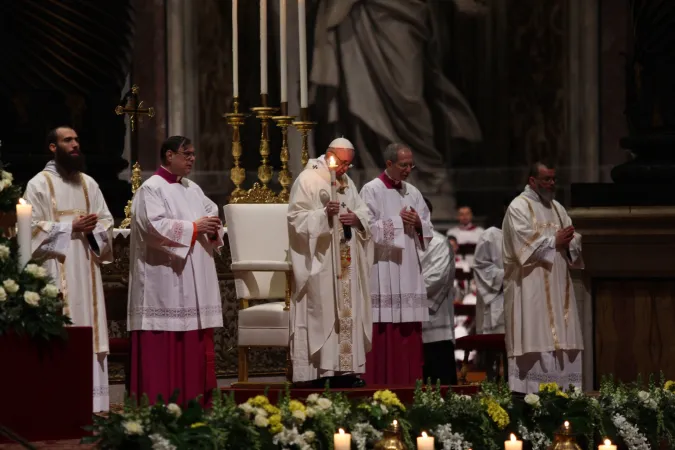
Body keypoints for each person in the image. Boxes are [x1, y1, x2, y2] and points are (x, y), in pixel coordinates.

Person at [310, 0, 482, 197]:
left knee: (409, 97)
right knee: (362, 93)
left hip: (405, 10)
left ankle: (427, 172)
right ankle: (374, 174)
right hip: (359, 10)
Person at [128, 136, 224, 405]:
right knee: (165, 344)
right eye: (186, 154)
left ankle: (194, 400)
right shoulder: (151, 189)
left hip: (193, 278)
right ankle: (161, 401)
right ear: (169, 156)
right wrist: (195, 228)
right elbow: (153, 227)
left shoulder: (192, 188)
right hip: (165, 279)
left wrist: (211, 226)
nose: (192, 159)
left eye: (193, 154)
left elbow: (211, 214)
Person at [25, 126, 114, 412]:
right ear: (53, 147)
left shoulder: (89, 183)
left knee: (89, 327)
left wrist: (91, 231)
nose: (75, 144)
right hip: (56, 269)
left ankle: (95, 404)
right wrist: (69, 227)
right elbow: (29, 229)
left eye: (77, 139)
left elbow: (107, 223)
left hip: (87, 269)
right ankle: (60, 403)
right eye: (68, 140)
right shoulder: (38, 184)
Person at [288, 137, 373, 388]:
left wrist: (356, 218)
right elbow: (295, 219)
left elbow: (363, 211)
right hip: (321, 260)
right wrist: (323, 216)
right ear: (329, 156)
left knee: (347, 312)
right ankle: (316, 372)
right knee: (323, 312)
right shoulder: (308, 180)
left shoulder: (347, 183)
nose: (345, 169)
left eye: (349, 164)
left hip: (346, 260)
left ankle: (345, 371)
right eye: (342, 162)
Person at [502, 161, 584, 393]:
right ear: (532, 181)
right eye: (546, 179)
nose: (551, 184)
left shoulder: (558, 208)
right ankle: (529, 397)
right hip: (530, 287)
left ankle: (564, 395)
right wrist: (554, 241)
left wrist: (570, 241)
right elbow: (521, 248)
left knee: (562, 339)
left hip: (559, 286)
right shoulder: (518, 207)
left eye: (553, 179)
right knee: (534, 336)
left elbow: (572, 236)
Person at [360, 143, 433, 385]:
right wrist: (400, 223)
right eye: (403, 165)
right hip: (383, 267)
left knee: (409, 331)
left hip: (409, 267)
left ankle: (410, 382)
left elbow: (428, 226)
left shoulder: (413, 192)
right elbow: (366, 230)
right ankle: (380, 383)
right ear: (389, 164)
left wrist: (419, 223)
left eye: (411, 165)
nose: (408, 170)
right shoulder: (371, 190)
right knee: (385, 328)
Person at [473, 194, 512, 380]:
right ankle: (492, 385)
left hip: (523, 298)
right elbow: (481, 266)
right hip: (498, 296)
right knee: (495, 350)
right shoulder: (490, 235)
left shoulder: (527, 234)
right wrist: (507, 277)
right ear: (506, 208)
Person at [420, 197, 457, 385]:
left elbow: (435, 279)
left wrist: (405, 295)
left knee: (441, 386)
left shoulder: (439, 243)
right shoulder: (402, 243)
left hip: (435, 327)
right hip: (410, 328)